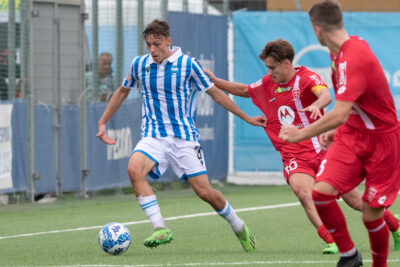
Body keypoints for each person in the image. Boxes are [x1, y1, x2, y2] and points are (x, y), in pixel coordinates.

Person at [96, 19, 267, 252]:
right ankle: (160, 227)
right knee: (134, 170)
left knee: (205, 193)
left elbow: (216, 94)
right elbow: (122, 91)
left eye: (157, 44)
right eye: (148, 45)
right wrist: (103, 121)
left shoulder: (189, 65)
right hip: (154, 135)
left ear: (169, 41)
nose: (153, 50)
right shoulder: (139, 65)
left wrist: (247, 118)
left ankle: (238, 226)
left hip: (185, 139)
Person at [205, 38, 367, 254]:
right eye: (267, 68)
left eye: (272, 67)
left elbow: (325, 94)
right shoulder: (268, 83)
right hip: (294, 156)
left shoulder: (307, 78)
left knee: (355, 201)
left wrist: (317, 104)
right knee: (303, 193)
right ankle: (331, 240)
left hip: (323, 151)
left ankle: (394, 225)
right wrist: (215, 81)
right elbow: (244, 90)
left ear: (287, 64)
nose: (270, 72)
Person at [279, 1, 400, 266]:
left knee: (371, 214)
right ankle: (349, 256)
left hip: (383, 143)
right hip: (353, 136)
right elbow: (350, 107)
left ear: (317, 30)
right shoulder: (339, 53)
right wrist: (336, 129)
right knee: (321, 193)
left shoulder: (355, 56)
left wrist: (300, 134)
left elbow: (340, 112)